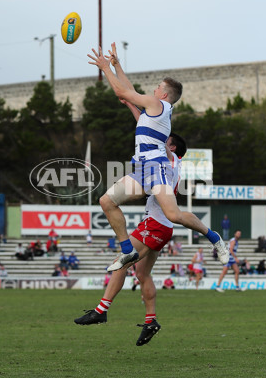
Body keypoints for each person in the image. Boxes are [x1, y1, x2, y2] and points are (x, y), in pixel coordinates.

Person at [87, 43, 229, 272]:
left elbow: (123, 92)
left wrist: (106, 68)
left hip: (155, 169)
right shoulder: (156, 110)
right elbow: (130, 94)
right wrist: (117, 66)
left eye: (157, 87)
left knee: (174, 215)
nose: (153, 90)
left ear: (163, 94)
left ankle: (215, 239)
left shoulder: (157, 104)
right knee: (106, 201)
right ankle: (127, 250)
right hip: (142, 170)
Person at [74, 131, 187, 346]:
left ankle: (101, 310)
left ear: (172, 149)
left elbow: (155, 137)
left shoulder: (170, 160)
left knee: (121, 263)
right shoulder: (173, 164)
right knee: (142, 274)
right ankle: (151, 320)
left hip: (155, 224)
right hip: (161, 225)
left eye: (166, 142)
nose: (161, 142)